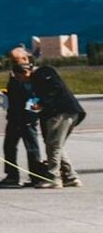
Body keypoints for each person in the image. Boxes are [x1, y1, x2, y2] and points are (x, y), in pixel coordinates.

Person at [31, 53, 89, 188]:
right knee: (57, 144)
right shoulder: (34, 82)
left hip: (63, 112)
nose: (20, 80)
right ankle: (70, 176)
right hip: (65, 113)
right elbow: (37, 100)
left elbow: (53, 91)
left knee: (54, 145)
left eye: (20, 76)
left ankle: (53, 176)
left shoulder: (44, 72)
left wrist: (40, 103)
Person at [0, 47, 46, 187]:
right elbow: (14, 92)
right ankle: (12, 175)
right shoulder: (14, 74)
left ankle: (36, 175)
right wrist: (4, 94)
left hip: (27, 116)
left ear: (25, 58)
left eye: (15, 60)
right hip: (14, 115)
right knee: (9, 146)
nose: (13, 63)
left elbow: (37, 96)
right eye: (12, 60)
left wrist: (32, 115)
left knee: (31, 147)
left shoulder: (33, 74)